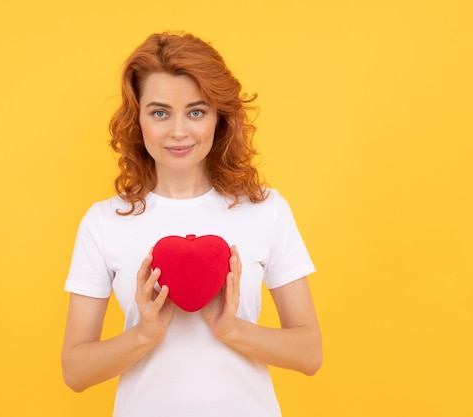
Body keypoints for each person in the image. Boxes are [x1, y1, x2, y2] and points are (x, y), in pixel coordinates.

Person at [61, 32, 322, 417]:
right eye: (160, 112)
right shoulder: (103, 222)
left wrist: (230, 328)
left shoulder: (265, 209)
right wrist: (144, 335)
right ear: (138, 120)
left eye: (196, 112)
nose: (179, 131)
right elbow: (75, 370)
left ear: (219, 119)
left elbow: (309, 353)